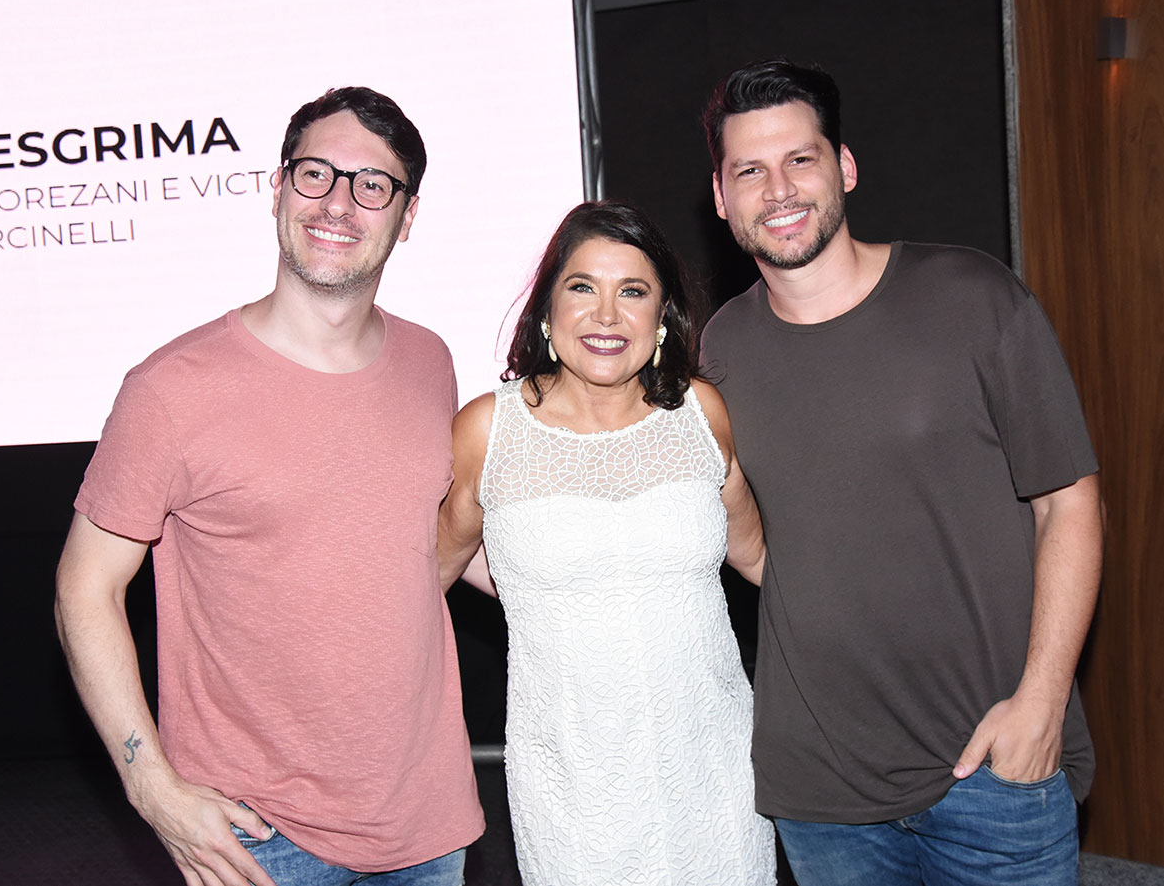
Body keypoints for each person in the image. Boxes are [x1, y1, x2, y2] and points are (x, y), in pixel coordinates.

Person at [54, 86, 483, 886]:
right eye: (316, 173)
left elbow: (433, 539)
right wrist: (150, 785)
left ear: (408, 214)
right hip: (256, 841)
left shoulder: (431, 362)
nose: (339, 204)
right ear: (277, 187)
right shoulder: (170, 389)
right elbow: (84, 589)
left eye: (372, 184)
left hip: (427, 826)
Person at [699, 59, 1103, 886]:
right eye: (750, 169)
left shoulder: (972, 295)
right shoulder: (723, 348)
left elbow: (1069, 504)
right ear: (721, 195)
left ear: (843, 167)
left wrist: (1042, 703)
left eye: (800, 159)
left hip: (993, 764)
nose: (778, 187)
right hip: (821, 791)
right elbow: (763, 540)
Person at [438, 201, 776, 885]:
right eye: (583, 287)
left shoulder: (701, 413)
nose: (606, 314)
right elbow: (425, 571)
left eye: (633, 292)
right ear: (547, 309)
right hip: (573, 786)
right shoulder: (487, 430)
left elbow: (763, 558)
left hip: (712, 769)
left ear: (661, 319)